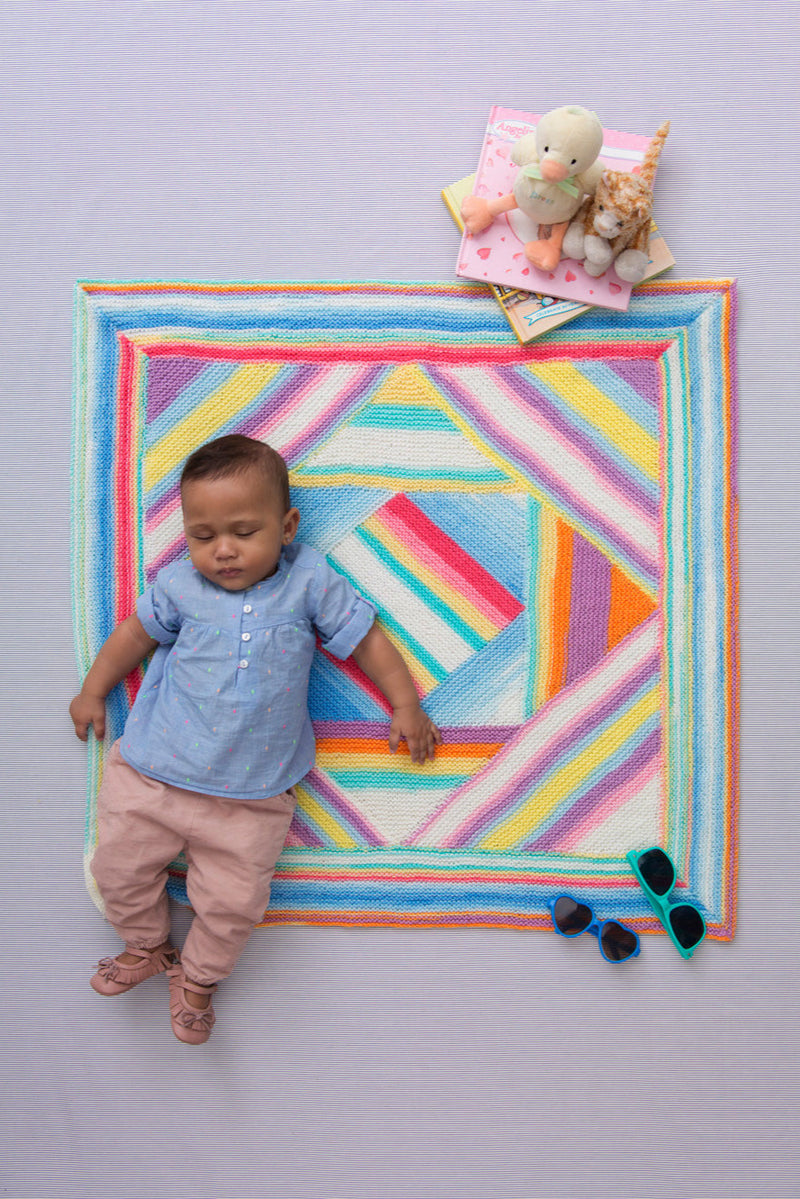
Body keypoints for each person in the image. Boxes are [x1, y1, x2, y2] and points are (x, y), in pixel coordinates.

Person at [70, 434, 441, 1044]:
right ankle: (146, 945)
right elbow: (134, 636)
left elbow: (367, 640)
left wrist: (405, 703)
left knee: (235, 903)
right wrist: (93, 689)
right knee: (118, 867)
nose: (223, 551)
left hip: (252, 796)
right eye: (202, 536)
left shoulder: (309, 581)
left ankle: (199, 979)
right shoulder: (179, 586)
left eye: (244, 532)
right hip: (154, 773)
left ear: (287, 527)